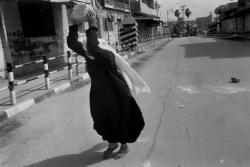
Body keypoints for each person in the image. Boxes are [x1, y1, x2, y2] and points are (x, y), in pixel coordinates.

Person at [67, 8, 149, 159]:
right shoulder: (90, 53)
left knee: (121, 119)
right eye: (86, 50)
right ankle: (112, 143)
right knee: (102, 118)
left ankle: (124, 146)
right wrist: (74, 25)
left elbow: (92, 47)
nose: (86, 52)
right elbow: (73, 44)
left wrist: (92, 25)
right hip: (100, 94)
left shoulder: (106, 55)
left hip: (118, 93)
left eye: (89, 49)